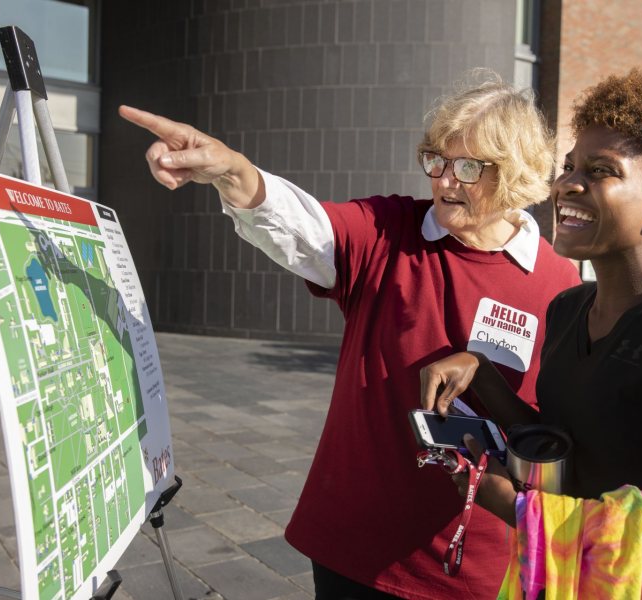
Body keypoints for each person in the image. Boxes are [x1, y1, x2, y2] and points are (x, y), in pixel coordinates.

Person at [120, 73, 581, 599]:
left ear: (516, 174)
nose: (445, 181)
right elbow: (303, 227)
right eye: (437, 160)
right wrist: (233, 172)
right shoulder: (391, 232)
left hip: (475, 561)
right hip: (354, 546)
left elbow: (559, 426)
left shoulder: (559, 284)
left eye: (469, 167)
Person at [421, 70, 642, 585]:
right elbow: (562, 444)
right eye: (570, 165)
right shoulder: (568, 309)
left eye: (602, 170)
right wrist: (483, 375)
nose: (567, 184)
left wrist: (521, 512)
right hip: (547, 578)